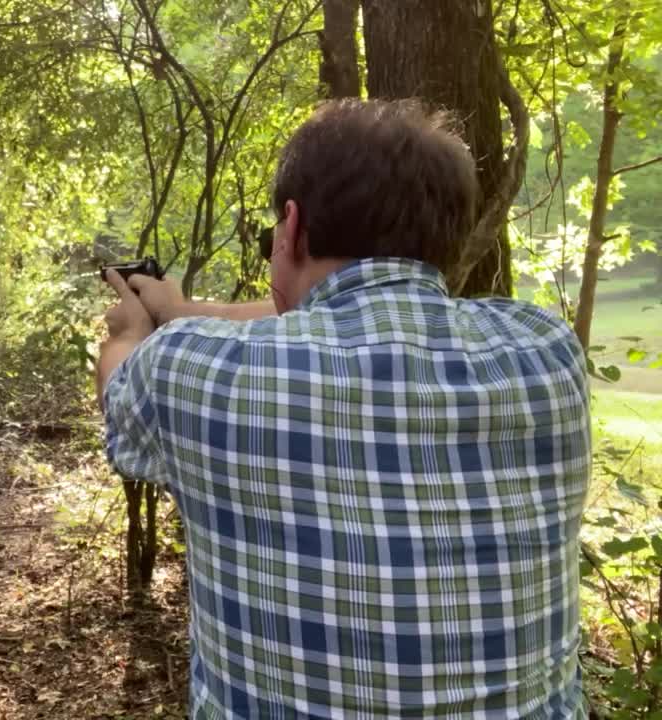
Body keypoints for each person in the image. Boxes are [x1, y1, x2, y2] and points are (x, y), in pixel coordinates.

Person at [97, 98, 590, 719]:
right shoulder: (544, 349)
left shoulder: (188, 367)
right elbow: (365, 315)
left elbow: (121, 397)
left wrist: (129, 329)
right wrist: (187, 308)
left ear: (293, 226)